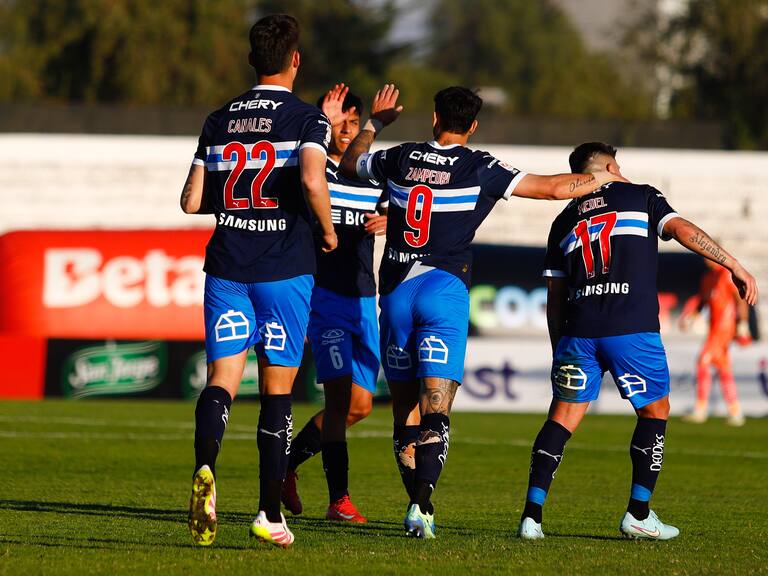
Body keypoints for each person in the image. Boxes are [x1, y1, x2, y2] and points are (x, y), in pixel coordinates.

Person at [340, 86, 621, 538]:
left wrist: (375, 123)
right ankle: (422, 506)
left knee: (404, 410)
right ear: (472, 126)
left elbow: (350, 162)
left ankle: (418, 503)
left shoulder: (399, 156)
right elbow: (553, 189)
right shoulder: (480, 166)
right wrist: (604, 177)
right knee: (436, 406)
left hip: (394, 293)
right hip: (443, 289)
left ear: (435, 118)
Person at [518, 142, 758, 541]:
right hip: (631, 328)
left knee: (560, 419)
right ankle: (638, 514)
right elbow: (682, 230)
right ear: (611, 167)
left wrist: (560, 348)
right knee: (654, 411)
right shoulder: (641, 196)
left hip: (579, 332)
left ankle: (531, 518)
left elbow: (554, 298)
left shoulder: (562, 221)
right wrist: (732, 264)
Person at [180, 14, 337, 548]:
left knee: (221, 380)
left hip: (226, 267)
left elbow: (191, 201)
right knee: (277, 388)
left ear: (252, 60)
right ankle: (269, 513)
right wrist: (327, 230)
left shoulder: (218, 119)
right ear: (295, 60)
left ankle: (206, 468)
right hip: (284, 270)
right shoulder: (307, 118)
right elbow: (312, 179)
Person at [282, 84, 390, 523]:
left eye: (353, 123)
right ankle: (338, 501)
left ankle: (286, 465)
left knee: (360, 406)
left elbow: (408, 213)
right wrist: (320, 123)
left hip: (363, 298)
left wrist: (392, 219)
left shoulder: (374, 175)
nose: (346, 131)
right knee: (341, 399)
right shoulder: (314, 167)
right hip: (324, 297)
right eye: (340, 123)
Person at [680, 258, 751, 426]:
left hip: (725, 328)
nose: (706, 259)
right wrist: (692, 316)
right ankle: (735, 411)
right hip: (714, 328)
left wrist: (743, 324)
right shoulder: (708, 278)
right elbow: (704, 301)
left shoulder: (726, 275)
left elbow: (740, 299)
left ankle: (700, 409)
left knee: (703, 361)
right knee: (723, 368)